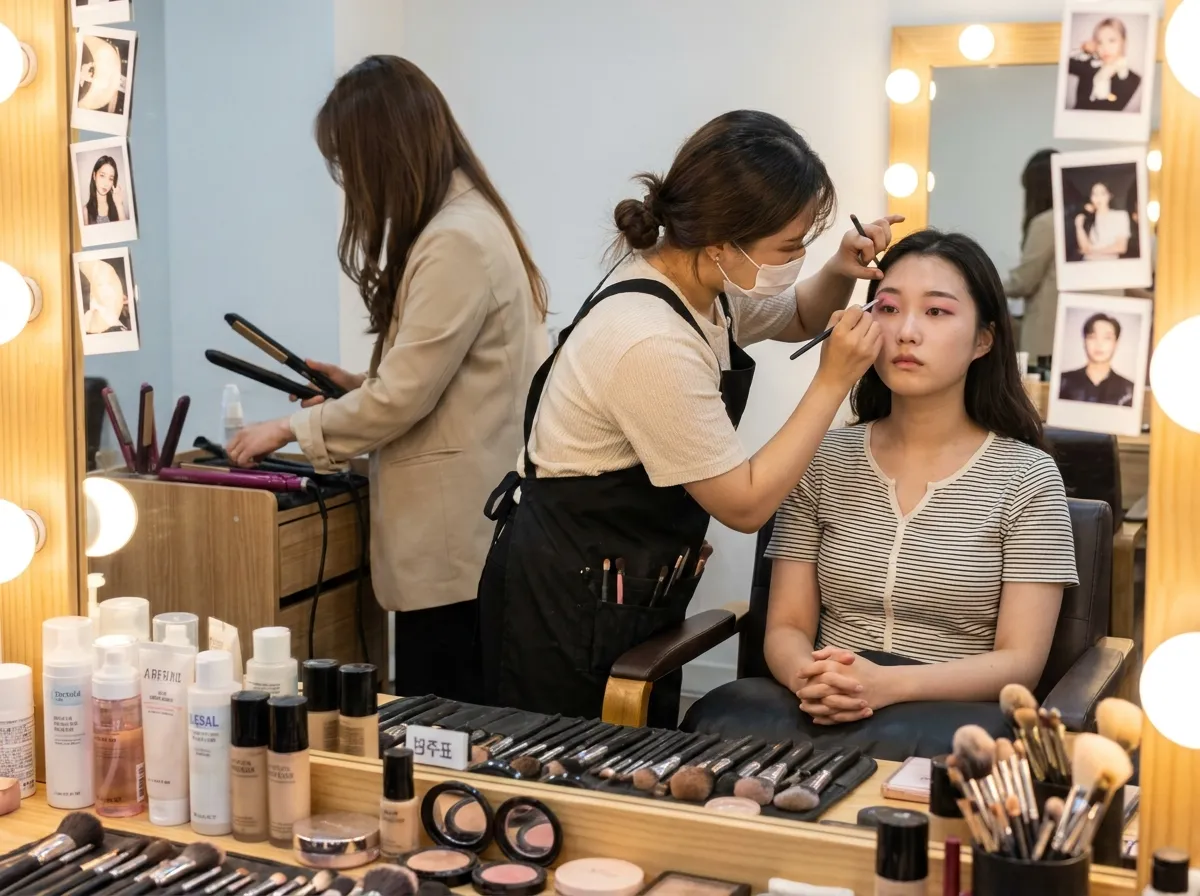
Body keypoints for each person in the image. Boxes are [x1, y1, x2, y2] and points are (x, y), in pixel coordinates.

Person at [477, 109, 895, 726]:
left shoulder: (704, 288)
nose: (798, 258)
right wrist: (832, 380)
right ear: (722, 245)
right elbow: (746, 505)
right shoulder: (649, 341)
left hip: (626, 585)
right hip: (564, 598)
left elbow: (799, 315)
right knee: (561, 786)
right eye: (789, 247)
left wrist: (836, 269)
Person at [684, 230, 1078, 760]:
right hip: (821, 707)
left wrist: (888, 686)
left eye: (937, 313)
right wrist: (812, 678)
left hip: (953, 728)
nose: (906, 332)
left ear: (984, 340)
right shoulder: (822, 458)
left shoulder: (1027, 478)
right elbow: (787, 626)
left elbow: (1019, 661)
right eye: (888, 308)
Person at [227, 56, 547, 701]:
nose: (349, 183)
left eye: (348, 162)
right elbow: (439, 377)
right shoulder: (468, 220)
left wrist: (287, 428)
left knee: (448, 723)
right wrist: (352, 384)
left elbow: (404, 397)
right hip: (473, 523)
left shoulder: (455, 238)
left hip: (459, 534)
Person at [1003, 149, 1057, 359]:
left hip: (1045, 333)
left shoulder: (1046, 224)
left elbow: (1024, 281)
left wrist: (987, 285)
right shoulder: (1075, 220)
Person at [1058, 312, 1135, 406]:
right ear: (1084, 341)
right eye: (1092, 337)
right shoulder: (1062, 382)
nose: (1099, 344)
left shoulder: (1129, 390)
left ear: (1116, 343)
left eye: (1107, 338)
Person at [1067, 16, 1142, 112]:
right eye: (1100, 42)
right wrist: (1082, 48)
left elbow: (1111, 109)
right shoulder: (1089, 67)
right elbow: (1066, 64)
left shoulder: (1131, 78)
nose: (1105, 48)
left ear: (1123, 42)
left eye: (1111, 40)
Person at [1074, 180, 1132, 261]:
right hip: (1088, 265)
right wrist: (1079, 226)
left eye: (1102, 193)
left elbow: (1121, 247)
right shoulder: (1088, 218)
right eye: (1094, 194)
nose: (1098, 198)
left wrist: (1092, 250)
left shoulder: (1120, 215)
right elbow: (1084, 247)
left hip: (1110, 265)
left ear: (1109, 196)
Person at [84, 155, 127, 225]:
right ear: (94, 176)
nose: (106, 183)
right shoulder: (86, 211)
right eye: (102, 175)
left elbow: (126, 232)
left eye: (110, 178)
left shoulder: (117, 205)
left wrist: (119, 205)